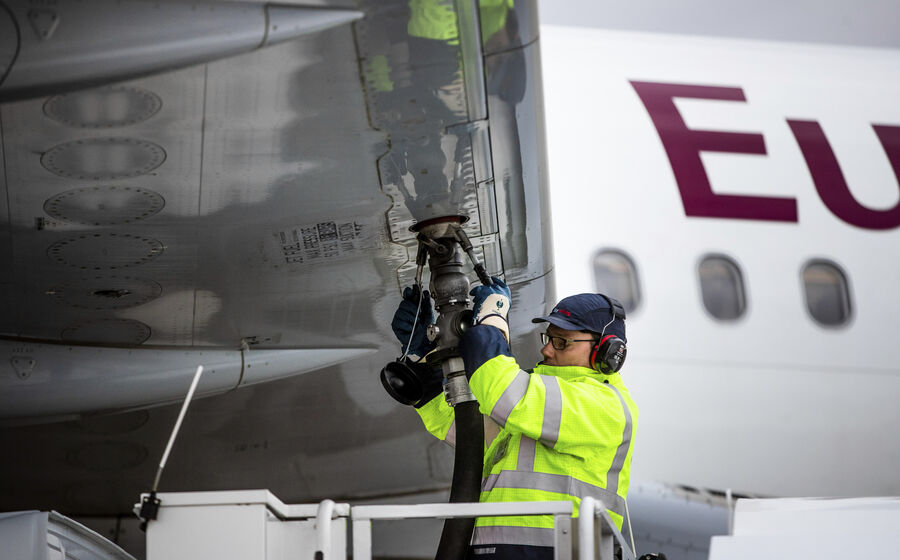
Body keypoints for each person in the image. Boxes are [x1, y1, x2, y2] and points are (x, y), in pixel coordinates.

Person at [391, 279, 638, 559]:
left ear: (607, 352)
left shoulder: (604, 405)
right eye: (548, 338)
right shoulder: (539, 406)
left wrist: (493, 318)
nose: (546, 350)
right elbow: (471, 435)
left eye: (561, 342)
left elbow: (504, 391)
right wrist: (425, 358)